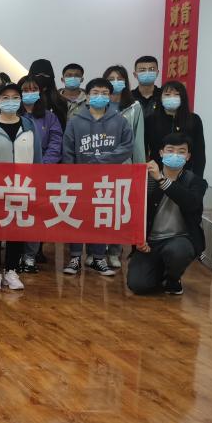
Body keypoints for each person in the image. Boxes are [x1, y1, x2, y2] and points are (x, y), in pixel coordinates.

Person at [62, 78, 134, 276]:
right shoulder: (75, 121)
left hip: (106, 180)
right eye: (95, 92)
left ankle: (99, 257)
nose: (99, 96)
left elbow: (127, 147)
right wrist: (71, 175)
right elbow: (67, 150)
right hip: (80, 179)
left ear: (110, 96)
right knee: (77, 217)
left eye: (104, 93)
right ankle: (75, 257)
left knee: (101, 217)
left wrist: (103, 160)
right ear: (87, 96)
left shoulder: (120, 121)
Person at [0, 83, 43, 290]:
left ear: (20, 100)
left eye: (15, 97)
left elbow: (37, 159)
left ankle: (12, 270)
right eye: (5, 97)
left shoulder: (29, 126)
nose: (10, 101)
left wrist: (36, 183)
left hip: (22, 186)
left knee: (16, 229)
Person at [127, 134, 206, 296]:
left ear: (188, 156)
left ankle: (173, 278)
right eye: (170, 150)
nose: (175, 155)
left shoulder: (196, 182)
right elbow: (134, 211)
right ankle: (160, 271)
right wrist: (138, 240)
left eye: (181, 151)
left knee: (177, 251)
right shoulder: (146, 179)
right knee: (137, 285)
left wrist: (161, 180)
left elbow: (191, 203)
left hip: (180, 240)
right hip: (150, 242)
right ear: (161, 153)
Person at [17, 74, 62, 273]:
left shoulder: (49, 117)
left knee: (35, 215)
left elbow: (56, 142)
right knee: (16, 213)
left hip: (41, 173)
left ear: (40, 92)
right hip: (16, 173)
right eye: (25, 90)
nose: (29, 93)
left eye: (33, 89)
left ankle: (30, 256)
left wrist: (43, 165)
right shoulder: (12, 114)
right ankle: (15, 254)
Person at [103, 64, 147, 268]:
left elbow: (138, 141)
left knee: (118, 210)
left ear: (126, 82)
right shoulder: (97, 105)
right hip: (100, 166)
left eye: (119, 78)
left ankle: (115, 251)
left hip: (124, 167)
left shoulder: (134, 107)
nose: (115, 82)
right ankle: (96, 251)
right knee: (99, 207)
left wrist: (139, 169)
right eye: (110, 79)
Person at [145, 80, 205, 177]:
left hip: (186, 174)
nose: (172, 98)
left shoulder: (194, 120)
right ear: (160, 97)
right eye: (167, 94)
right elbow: (144, 149)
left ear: (183, 98)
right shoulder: (150, 120)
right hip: (157, 173)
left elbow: (199, 153)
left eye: (177, 94)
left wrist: (198, 179)